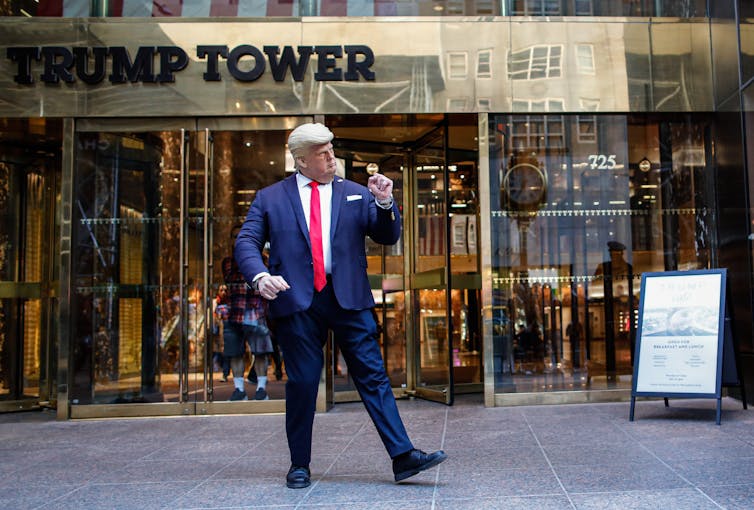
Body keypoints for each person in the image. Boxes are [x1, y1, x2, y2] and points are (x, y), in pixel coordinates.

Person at [235, 122, 447, 489]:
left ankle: (403, 457)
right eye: (322, 153)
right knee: (302, 382)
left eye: (332, 149)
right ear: (301, 161)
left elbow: (387, 234)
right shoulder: (270, 198)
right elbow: (246, 242)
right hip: (296, 300)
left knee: (374, 375)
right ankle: (299, 464)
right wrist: (259, 277)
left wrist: (384, 203)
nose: (331, 156)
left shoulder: (354, 192)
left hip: (348, 297)